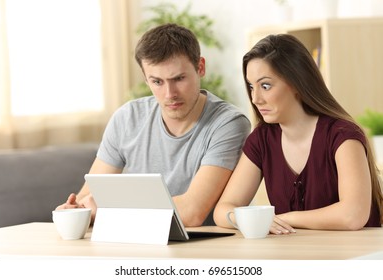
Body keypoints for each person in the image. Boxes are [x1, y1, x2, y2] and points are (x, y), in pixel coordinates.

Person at [56, 23, 251, 226]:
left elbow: (191, 212)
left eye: (179, 78)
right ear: (146, 78)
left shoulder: (228, 124)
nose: (170, 94)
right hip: (135, 242)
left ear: (200, 67)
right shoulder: (127, 118)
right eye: (157, 82)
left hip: (199, 249)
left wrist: (108, 208)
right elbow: (86, 201)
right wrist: (72, 211)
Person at [214, 34, 383, 234]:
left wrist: (283, 219)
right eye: (252, 86)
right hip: (298, 256)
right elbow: (223, 210)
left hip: (355, 259)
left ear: (296, 83)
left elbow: (352, 215)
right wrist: (253, 221)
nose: (255, 98)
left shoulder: (342, 135)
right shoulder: (262, 139)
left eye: (265, 86)